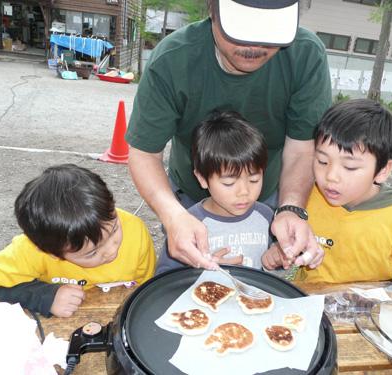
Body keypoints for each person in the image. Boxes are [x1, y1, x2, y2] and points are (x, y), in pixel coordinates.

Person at [126, 0, 331, 272]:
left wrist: (291, 208)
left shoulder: (305, 55)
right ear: (213, 10)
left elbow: (303, 148)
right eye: (242, 29)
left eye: (270, 33)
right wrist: (174, 216)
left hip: (269, 192)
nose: (255, 46)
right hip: (189, 194)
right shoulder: (173, 60)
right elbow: (144, 153)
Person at [262, 99, 392, 282]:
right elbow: (291, 249)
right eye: (322, 162)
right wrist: (280, 251)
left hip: (371, 308)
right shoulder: (306, 199)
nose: (331, 176)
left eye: (349, 167)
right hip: (310, 303)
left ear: (382, 171)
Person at [0, 164, 156, 318]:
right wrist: (47, 297)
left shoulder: (135, 229)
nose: (111, 251)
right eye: (92, 253)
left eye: (115, 229)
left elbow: (146, 288)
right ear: (50, 253)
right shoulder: (30, 250)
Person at [155, 111, 274, 274]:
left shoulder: (266, 216)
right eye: (229, 183)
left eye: (254, 180)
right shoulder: (190, 224)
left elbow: (277, 271)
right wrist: (201, 269)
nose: (244, 192)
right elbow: (164, 276)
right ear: (202, 178)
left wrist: (276, 259)